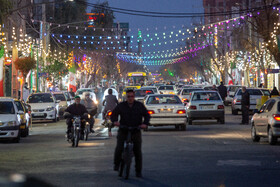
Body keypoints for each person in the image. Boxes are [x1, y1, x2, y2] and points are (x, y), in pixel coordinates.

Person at [111, 90, 150, 178]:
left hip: (136, 129)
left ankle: (138, 171)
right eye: (128, 97)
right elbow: (114, 114)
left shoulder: (139, 105)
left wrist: (145, 124)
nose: (130, 98)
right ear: (126, 97)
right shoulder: (121, 105)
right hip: (123, 129)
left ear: (134, 97)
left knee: (137, 152)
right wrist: (115, 121)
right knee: (119, 148)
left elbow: (147, 115)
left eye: (132, 96)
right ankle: (117, 164)